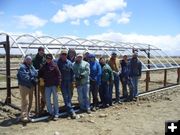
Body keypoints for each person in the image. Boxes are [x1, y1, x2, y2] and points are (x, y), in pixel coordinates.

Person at [39, 54, 61, 121]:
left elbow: (59, 74)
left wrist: (58, 83)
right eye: (47, 58)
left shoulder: (54, 65)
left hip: (54, 85)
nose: (48, 60)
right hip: (47, 85)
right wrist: (40, 78)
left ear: (51, 59)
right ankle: (51, 113)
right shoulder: (44, 66)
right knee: (47, 100)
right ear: (45, 59)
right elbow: (40, 73)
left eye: (49, 58)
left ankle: (56, 113)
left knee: (55, 99)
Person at [17, 55, 38, 122]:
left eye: (30, 59)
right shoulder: (22, 67)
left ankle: (28, 114)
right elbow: (24, 77)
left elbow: (36, 73)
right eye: (27, 59)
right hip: (24, 86)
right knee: (24, 101)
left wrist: (32, 77)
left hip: (31, 86)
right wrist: (32, 79)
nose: (29, 60)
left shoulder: (31, 66)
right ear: (25, 60)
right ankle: (23, 116)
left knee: (31, 101)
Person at [57, 50, 76, 119]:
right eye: (63, 54)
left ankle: (68, 108)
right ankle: (71, 111)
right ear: (60, 55)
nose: (64, 55)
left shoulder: (69, 62)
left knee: (70, 95)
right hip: (62, 82)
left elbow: (72, 72)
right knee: (66, 96)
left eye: (65, 54)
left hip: (69, 82)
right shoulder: (58, 62)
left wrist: (73, 81)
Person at [32, 46, 46, 113]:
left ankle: (42, 107)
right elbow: (32, 68)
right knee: (37, 94)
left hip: (44, 79)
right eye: (41, 50)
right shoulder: (34, 59)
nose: (42, 52)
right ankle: (37, 108)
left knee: (44, 94)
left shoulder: (45, 58)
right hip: (37, 79)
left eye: (43, 50)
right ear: (38, 51)